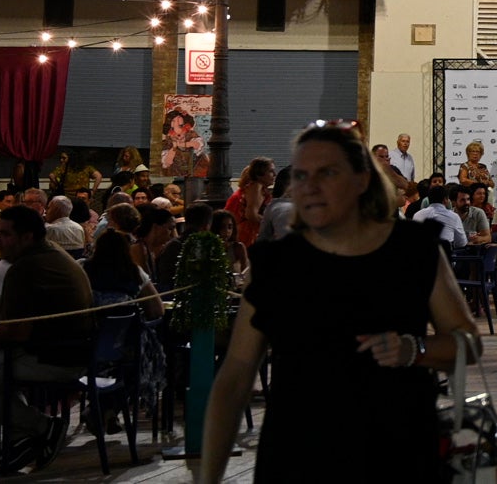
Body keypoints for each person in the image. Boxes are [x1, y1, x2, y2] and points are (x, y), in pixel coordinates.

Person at [199, 125, 480, 484]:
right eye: (301, 175)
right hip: (297, 459)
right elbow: (235, 377)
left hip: (397, 454)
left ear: (362, 180)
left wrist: (415, 349)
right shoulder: (276, 265)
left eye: (327, 173)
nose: (310, 186)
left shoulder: (412, 250)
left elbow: (468, 341)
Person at [0, 205, 92, 469]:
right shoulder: (55, 255)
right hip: (77, 353)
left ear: (27, 237)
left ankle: (43, 427)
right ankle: (24, 441)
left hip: (54, 358)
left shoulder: (24, 267)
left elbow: (16, 332)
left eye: (6, 234)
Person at [85, 228, 168, 320]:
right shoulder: (134, 271)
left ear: (97, 248)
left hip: (91, 329)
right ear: (127, 249)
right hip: (128, 330)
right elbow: (157, 310)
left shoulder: (83, 268)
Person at [229, 155, 273, 247]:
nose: (274, 174)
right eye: (271, 171)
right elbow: (251, 215)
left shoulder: (257, 188)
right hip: (248, 236)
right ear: (259, 174)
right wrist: (271, 223)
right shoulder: (256, 188)